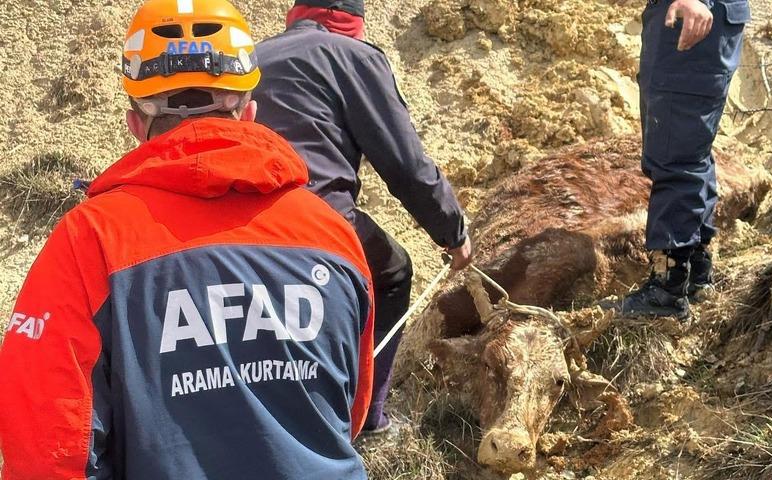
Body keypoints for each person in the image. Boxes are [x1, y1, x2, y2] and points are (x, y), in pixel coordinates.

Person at [0, 0, 375, 478]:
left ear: (136, 123)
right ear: (252, 111)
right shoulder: (333, 234)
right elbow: (349, 410)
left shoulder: (89, 240)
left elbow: (47, 447)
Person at [253, 0, 473, 435]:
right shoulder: (354, 57)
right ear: (353, 21)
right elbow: (405, 166)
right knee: (392, 272)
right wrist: (453, 233)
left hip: (233, 217)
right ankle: (367, 418)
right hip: (313, 214)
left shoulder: (254, 55)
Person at [621, 0, 750, 319]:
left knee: (674, 157)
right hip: (701, 19)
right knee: (687, 151)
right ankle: (694, 274)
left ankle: (667, 294)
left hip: (690, 16)